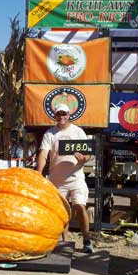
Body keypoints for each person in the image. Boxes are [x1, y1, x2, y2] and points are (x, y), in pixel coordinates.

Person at [36, 104, 93, 253]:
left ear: (69, 115)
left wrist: (83, 159)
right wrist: (38, 172)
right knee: (61, 212)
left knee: (80, 206)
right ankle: (64, 242)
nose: (62, 117)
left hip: (76, 178)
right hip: (56, 179)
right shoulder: (50, 134)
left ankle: (87, 240)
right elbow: (43, 154)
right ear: (55, 116)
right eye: (59, 114)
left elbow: (88, 153)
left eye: (64, 114)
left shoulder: (78, 132)